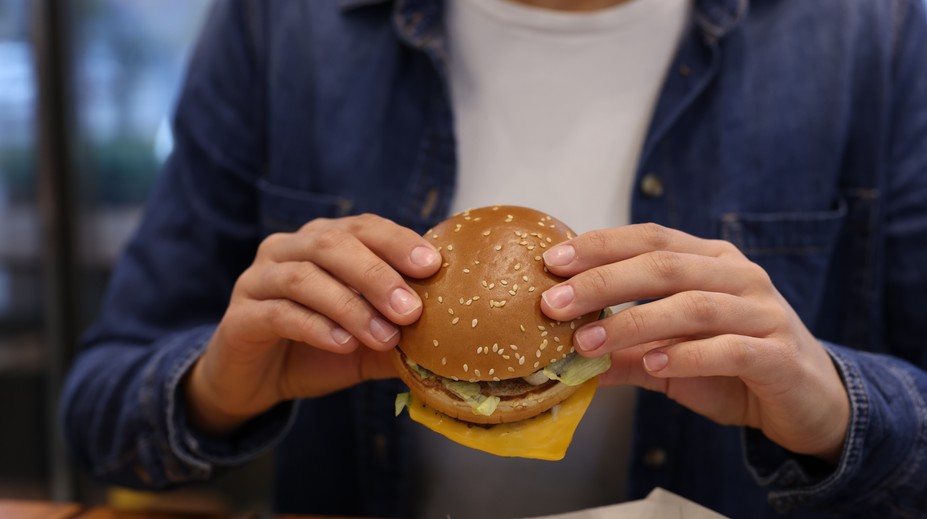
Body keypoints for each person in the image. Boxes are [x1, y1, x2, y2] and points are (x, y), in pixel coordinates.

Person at [61, 0, 927, 517]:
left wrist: (838, 414)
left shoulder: (876, 35)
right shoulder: (282, 24)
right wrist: (216, 393)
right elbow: (95, 412)